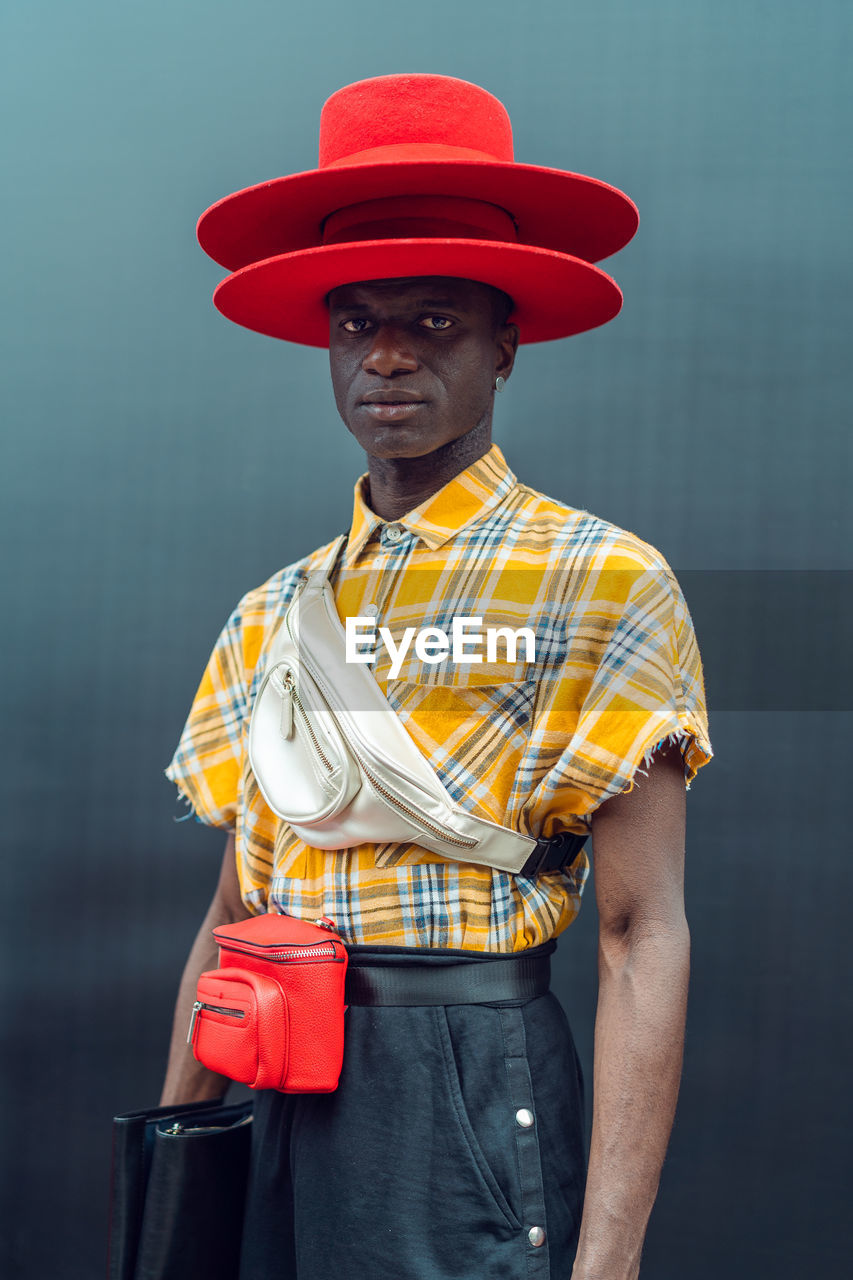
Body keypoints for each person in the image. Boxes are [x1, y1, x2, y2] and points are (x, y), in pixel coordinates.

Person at [159, 73, 713, 1280]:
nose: (389, 358)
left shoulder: (597, 579)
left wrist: (607, 1263)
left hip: (466, 1076)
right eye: (358, 323)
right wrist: (176, 1177)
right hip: (276, 1071)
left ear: (506, 341)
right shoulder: (271, 613)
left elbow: (638, 931)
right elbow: (227, 914)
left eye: (435, 322)